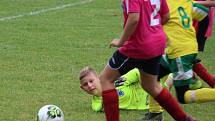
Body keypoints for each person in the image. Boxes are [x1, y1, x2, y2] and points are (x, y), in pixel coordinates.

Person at [98, 0, 195, 121]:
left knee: (105, 79)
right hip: (157, 43)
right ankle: (184, 119)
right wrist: (153, 31)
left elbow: (134, 18)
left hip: (138, 45)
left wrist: (121, 41)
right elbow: (166, 16)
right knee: (151, 86)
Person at [144, 1, 215, 120]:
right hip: (179, 50)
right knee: (150, 76)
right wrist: (199, 42)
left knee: (183, 96)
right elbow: (204, 15)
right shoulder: (184, 1)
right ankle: (155, 112)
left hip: (179, 53)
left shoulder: (161, 4)